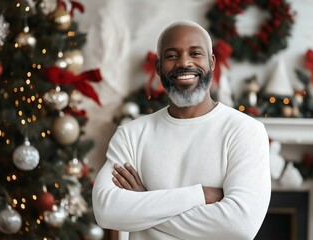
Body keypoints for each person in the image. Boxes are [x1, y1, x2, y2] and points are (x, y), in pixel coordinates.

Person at [92, 20, 271, 240]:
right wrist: (200, 195)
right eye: (171, 55)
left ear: (212, 62)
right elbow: (106, 210)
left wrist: (145, 203)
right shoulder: (131, 134)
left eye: (195, 53)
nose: (184, 62)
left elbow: (240, 225)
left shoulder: (245, 131)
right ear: (158, 68)